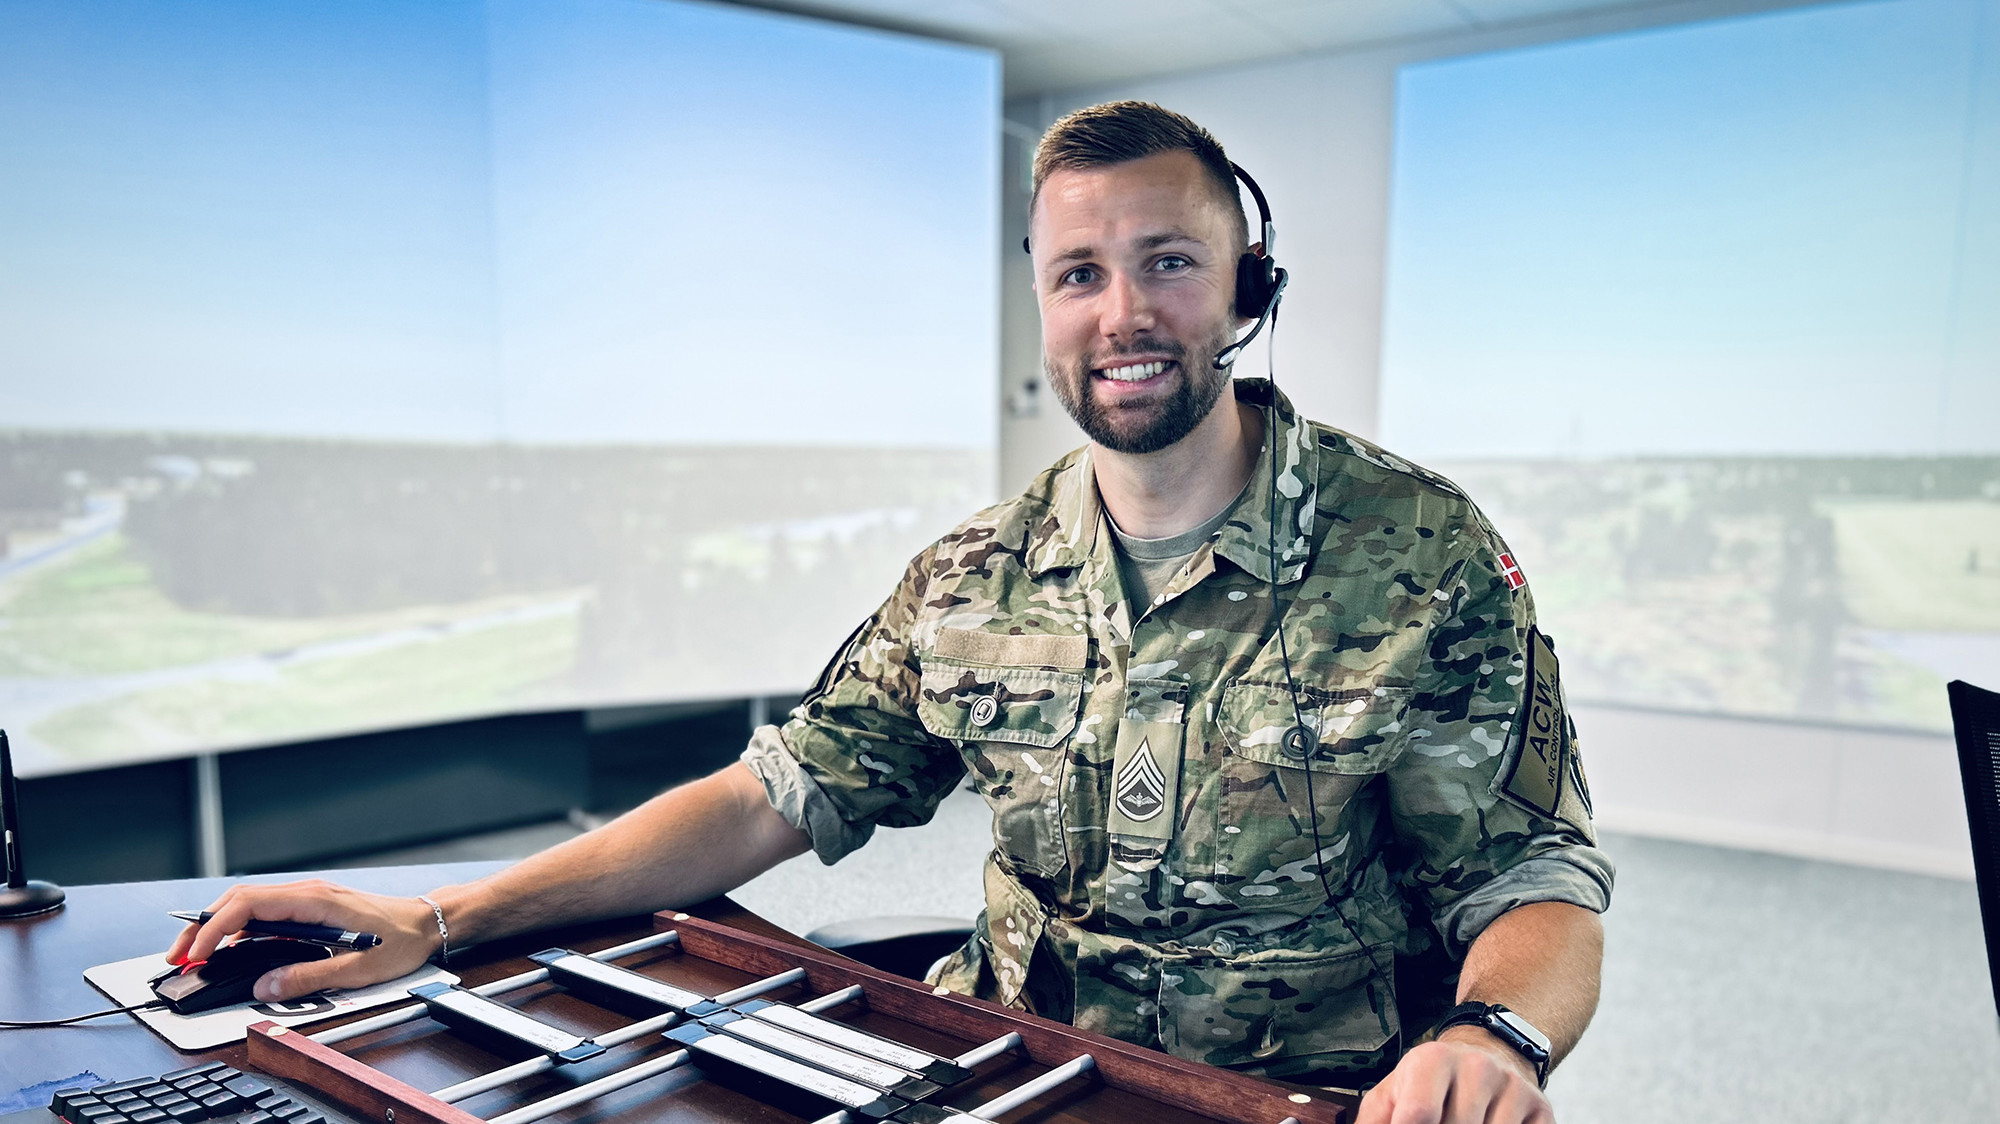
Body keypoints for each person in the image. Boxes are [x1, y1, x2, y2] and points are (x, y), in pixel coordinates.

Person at [170, 102, 1612, 1124]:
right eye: (1079, 274)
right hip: (987, 1074)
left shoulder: (1419, 553)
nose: (1125, 312)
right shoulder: (970, 574)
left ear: (1247, 288)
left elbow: (1534, 881)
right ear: (1045, 311)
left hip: (1291, 1102)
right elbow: (766, 800)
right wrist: (442, 913)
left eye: (1170, 261)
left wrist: (1494, 1036)